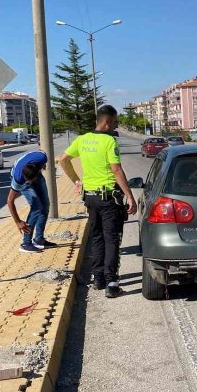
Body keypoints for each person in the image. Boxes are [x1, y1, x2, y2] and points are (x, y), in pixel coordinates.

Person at [58, 105, 137, 298]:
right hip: (109, 198)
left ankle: (98, 279)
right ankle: (112, 283)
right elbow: (116, 170)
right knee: (111, 239)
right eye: (116, 121)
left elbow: (63, 160)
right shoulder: (109, 141)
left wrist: (77, 181)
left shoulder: (82, 140)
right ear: (108, 121)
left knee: (97, 237)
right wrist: (130, 196)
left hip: (90, 198)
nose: (116, 125)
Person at [6, 151, 56, 253]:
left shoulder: (42, 158)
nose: (30, 183)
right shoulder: (19, 179)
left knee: (45, 205)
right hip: (23, 175)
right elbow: (10, 201)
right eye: (29, 181)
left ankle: (39, 240)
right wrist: (18, 222)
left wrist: (43, 166)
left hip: (36, 173)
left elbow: (41, 153)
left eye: (31, 181)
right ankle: (26, 243)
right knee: (37, 207)